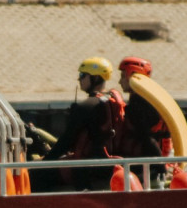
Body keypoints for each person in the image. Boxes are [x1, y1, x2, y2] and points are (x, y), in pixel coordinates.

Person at [31, 57, 122, 192]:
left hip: (84, 169)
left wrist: (45, 162)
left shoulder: (86, 106)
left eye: (82, 75)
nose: (79, 79)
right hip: (103, 163)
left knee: (33, 174)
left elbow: (66, 141)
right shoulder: (109, 100)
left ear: (95, 78)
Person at [113, 56, 171, 184]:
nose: (119, 81)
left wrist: (161, 168)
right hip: (155, 159)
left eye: (123, 76)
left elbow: (147, 138)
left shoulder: (137, 104)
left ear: (133, 76)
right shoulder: (149, 98)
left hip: (147, 164)